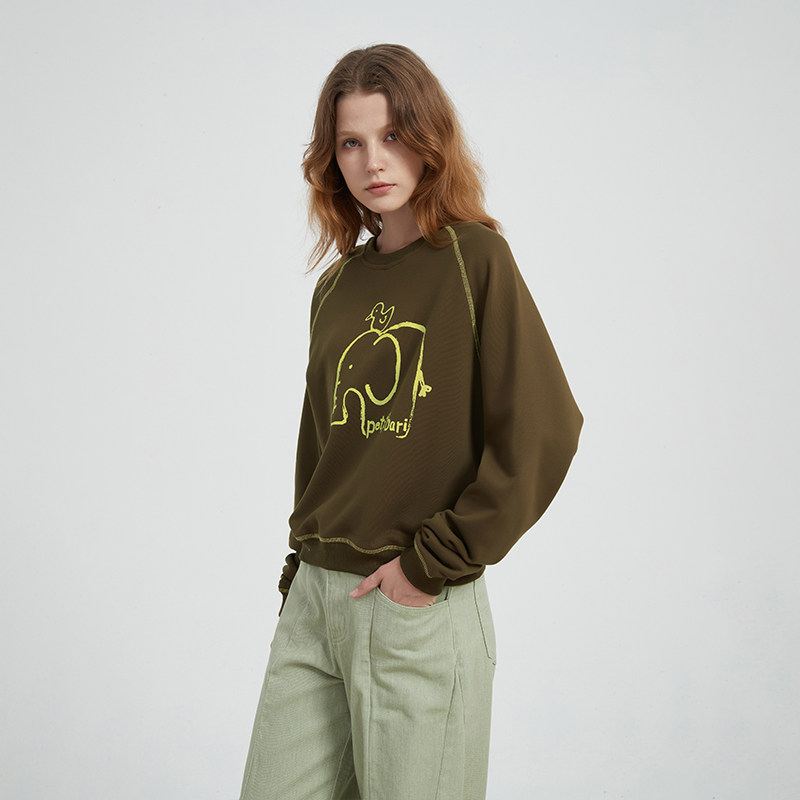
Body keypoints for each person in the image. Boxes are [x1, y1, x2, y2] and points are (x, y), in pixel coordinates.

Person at [238, 44, 583, 800]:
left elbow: (545, 429)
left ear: (429, 137)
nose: (373, 161)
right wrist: (300, 570)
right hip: (315, 603)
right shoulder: (336, 288)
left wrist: (434, 564)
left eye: (392, 135)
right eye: (351, 142)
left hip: (414, 604)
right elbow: (322, 446)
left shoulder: (475, 259)